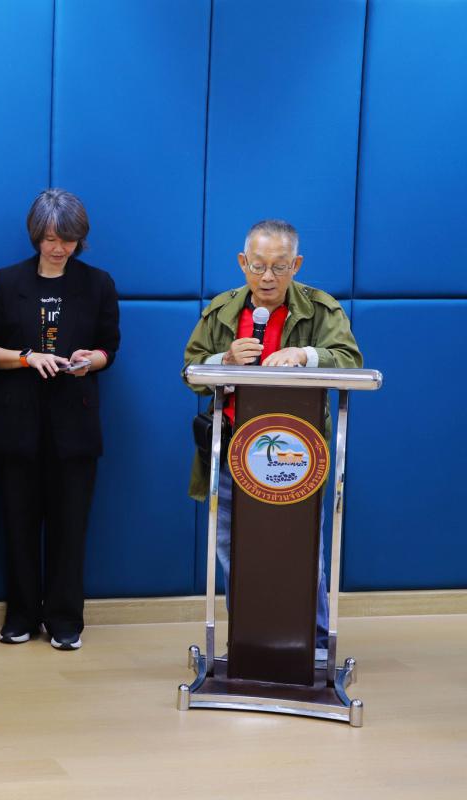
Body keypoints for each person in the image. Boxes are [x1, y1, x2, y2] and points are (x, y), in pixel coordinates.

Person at [182, 219, 362, 659]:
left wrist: (306, 355)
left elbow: (351, 360)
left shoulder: (322, 310)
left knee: (301, 550)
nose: (267, 277)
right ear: (242, 262)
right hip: (232, 450)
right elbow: (191, 372)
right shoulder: (222, 310)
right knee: (234, 549)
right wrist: (225, 360)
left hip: (296, 455)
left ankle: (313, 645)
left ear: (296, 265)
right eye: (258, 265)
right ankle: (249, 639)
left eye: (279, 267)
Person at [0, 189, 120, 651]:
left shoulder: (98, 283)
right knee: (17, 526)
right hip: (16, 425)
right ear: (36, 235)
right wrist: (26, 357)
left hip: (74, 427)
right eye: (51, 238)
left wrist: (89, 360)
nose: (59, 248)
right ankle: (21, 615)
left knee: (70, 528)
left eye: (68, 239)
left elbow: (109, 348)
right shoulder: (7, 281)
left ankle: (64, 619)